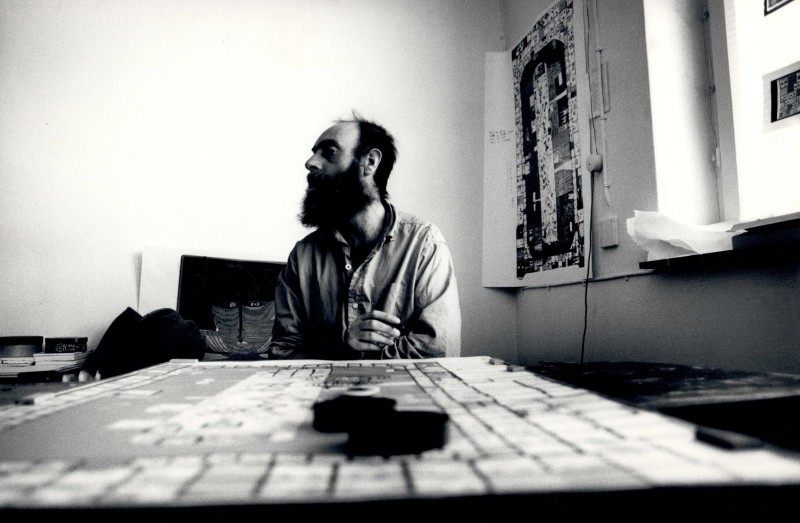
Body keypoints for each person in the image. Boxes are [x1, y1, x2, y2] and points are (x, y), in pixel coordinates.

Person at [268, 113, 461, 360]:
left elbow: (438, 351)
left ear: (370, 162)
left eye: (329, 152)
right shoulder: (303, 256)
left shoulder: (424, 245)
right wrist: (343, 349)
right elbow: (282, 353)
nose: (310, 163)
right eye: (314, 153)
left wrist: (346, 358)